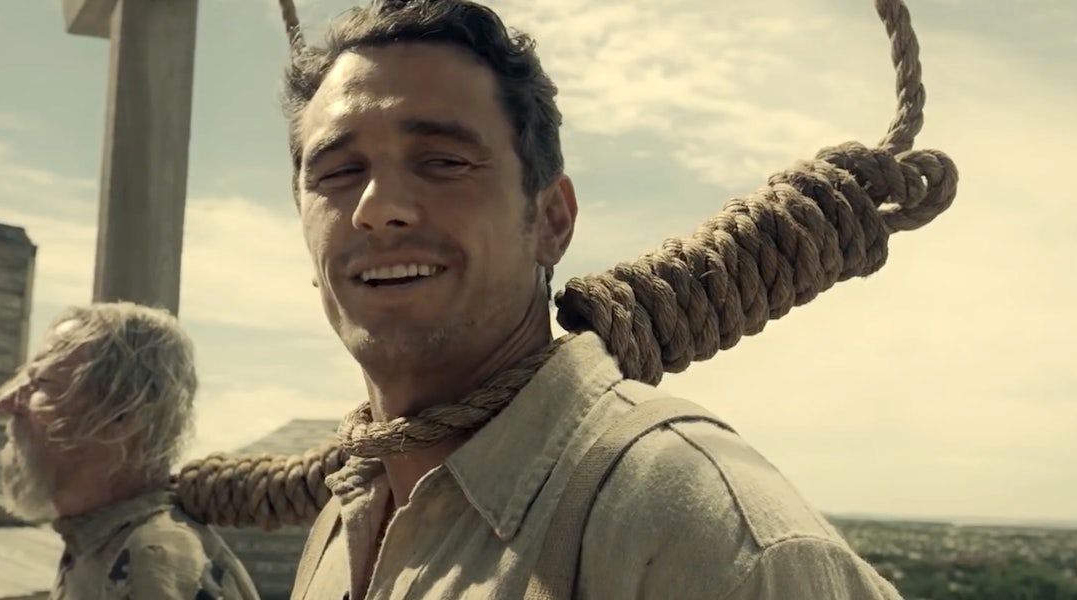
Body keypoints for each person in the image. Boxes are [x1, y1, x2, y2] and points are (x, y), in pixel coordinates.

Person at [286, 1, 904, 598]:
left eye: (443, 161)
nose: (377, 208)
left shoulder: (701, 538)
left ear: (551, 221)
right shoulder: (342, 527)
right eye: (338, 173)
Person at [0, 302, 259, 599]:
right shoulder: (99, 542)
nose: (6, 402)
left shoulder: (155, 563)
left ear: (123, 416)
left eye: (41, 383)